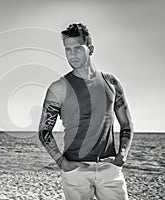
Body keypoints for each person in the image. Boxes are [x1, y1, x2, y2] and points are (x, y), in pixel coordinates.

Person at [38, 22, 133, 200]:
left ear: (90, 48)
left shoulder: (111, 83)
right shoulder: (59, 88)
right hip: (75, 171)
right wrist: (62, 163)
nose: (72, 54)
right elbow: (44, 131)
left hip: (109, 168)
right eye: (67, 49)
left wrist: (122, 154)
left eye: (77, 48)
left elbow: (126, 123)